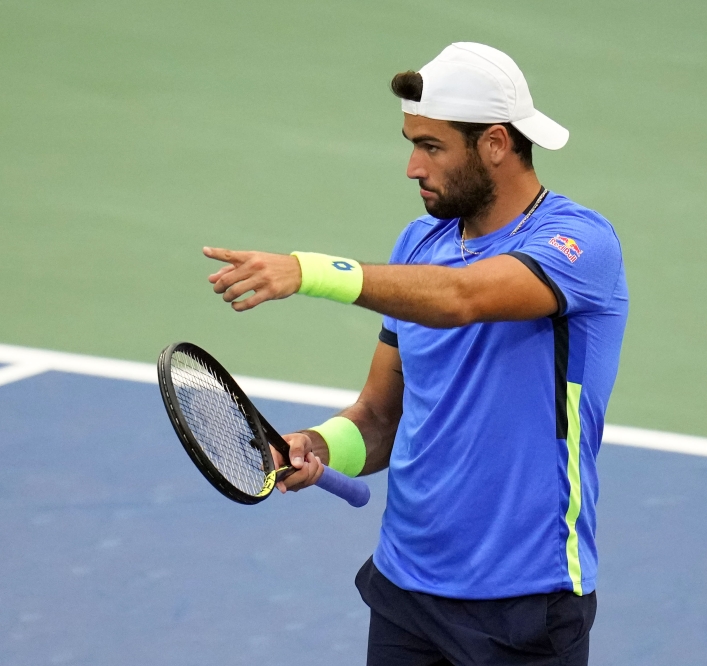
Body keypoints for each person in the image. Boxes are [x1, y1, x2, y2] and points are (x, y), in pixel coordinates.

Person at [203, 42, 628, 666]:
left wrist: (308, 271)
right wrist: (317, 448)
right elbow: (381, 418)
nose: (411, 166)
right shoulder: (417, 245)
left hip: (523, 598)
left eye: (431, 147)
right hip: (407, 589)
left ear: (495, 144)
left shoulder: (579, 243)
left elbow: (463, 297)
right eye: (411, 143)